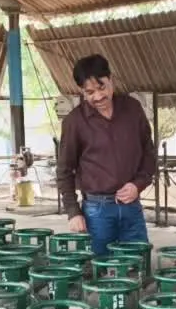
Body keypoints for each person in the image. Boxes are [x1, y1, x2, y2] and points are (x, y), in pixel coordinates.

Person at [56, 54, 155, 256]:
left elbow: (148, 151)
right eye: (90, 92)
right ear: (82, 91)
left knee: (137, 263)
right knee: (100, 268)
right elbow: (64, 170)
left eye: (102, 88)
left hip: (131, 206)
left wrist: (138, 184)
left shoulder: (132, 109)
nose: (98, 97)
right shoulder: (74, 122)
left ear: (111, 79)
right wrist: (73, 212)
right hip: (96, 211)